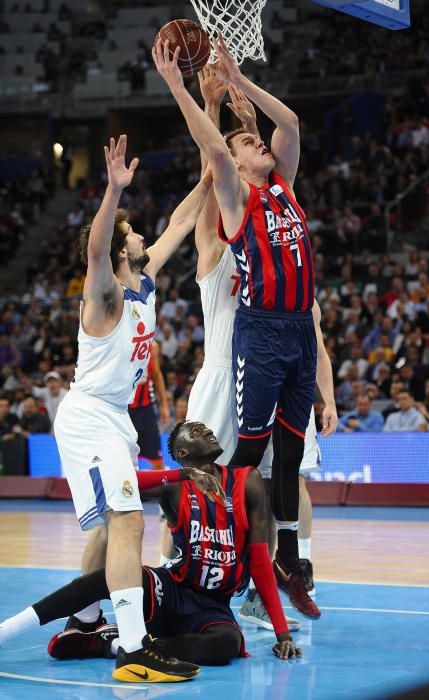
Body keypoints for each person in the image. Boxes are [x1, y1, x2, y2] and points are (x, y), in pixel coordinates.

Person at [154, 35, 319, 615]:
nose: (257, 146)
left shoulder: (281, 192)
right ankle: (186, 569)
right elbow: (214, 163)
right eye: (250, 144)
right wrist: (197, 95)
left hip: (283, 341)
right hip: (232, 362)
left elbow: (285, 130)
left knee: (281, 474)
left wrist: (239, 98)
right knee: (210, 483)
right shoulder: (219, 228)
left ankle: (269, 578)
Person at [52, 134, 214, 682]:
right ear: (123, 247)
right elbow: (96, 250)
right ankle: (132, 648)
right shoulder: (105, 294)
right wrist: (113, 191)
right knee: (128, 521)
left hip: (116, 417)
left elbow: (181, 224)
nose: (144, 233)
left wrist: (217, 169)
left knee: (106, 530)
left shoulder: (143, 282)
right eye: (132, 231)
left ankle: (83, 623)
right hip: (90, 413)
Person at [0, 421, 301, 678]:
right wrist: (183, 475)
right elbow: (115, 481)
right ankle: (7, 630)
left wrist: (282, 633)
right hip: (171, 590)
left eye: (206, 427)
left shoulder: (247, 481)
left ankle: (113, 644)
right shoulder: (174, 486)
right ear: (182, 453)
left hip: (212, 605)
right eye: (197, 430)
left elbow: (261, 562)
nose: (208, 430)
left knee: (226, 645)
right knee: (108, 578)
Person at [128, 341, 169, 470]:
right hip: (124, 410)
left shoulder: (153, 345)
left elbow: (157, 374)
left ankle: (160, 489)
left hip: (146, 410)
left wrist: (164, 406)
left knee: (157, 461)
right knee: (124, 461)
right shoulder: (121, 341)